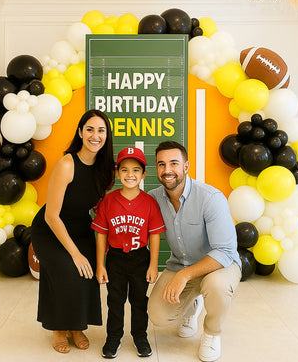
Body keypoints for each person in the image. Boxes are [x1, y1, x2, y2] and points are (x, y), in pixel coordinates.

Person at [147, 141, 241, 362]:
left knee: (216, 286)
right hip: (181, 263)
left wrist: (185, 275)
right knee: (158, 316)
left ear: (186, 166)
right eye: (161, 164)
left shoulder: (210, 198)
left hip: (219, 266)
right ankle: (193, 306)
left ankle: (211, 333)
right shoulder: (153, 198)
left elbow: (225, 251)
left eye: (173, 163)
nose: (167, 170)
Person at [31, 109, 115, 354]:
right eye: (89, 129)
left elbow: (98, 207)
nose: (95, 135)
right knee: (70, 268)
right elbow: (51, 215)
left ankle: (76, 326)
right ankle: (59, 328)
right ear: (80, 132)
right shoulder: (67, 164)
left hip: (80, 227)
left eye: (101, 130)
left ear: (107, 136)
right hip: (50, 229)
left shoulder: (105, 169)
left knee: (87, 272)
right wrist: (76, 253)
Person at [92, 147, 166, 359]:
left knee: (139, 301)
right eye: (124, 170)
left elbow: (154, 236)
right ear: (117, 173)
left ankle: (140, 336)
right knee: (114, 301)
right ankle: (113, 337)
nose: (130, 175)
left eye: (136, 170)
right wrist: (100, 264)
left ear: (144, 174)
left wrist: (153, 265)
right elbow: (101, 235)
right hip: (115, 258)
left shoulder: (149, 203)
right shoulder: (108, 200)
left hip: (140, 258)